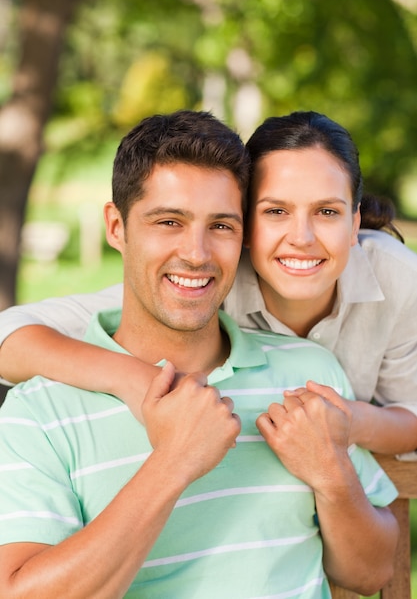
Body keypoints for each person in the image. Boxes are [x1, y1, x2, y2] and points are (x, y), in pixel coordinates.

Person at [0, 110, 398, 598]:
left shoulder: (310, 373)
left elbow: (371, 574)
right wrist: (173, 463)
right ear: (116, 226)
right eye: (169, 221)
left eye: (221, 226)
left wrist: (333, 476)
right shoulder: (39, 412)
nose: (197, 253)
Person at [1, 111, 416, 459]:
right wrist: (132, 378)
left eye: (327, 211)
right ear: (244, 223)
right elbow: (9, 335)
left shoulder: (395, 277)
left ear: (354, 223)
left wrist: (348, 421)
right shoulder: (206, 282)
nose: (302, 237)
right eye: (276, 211)